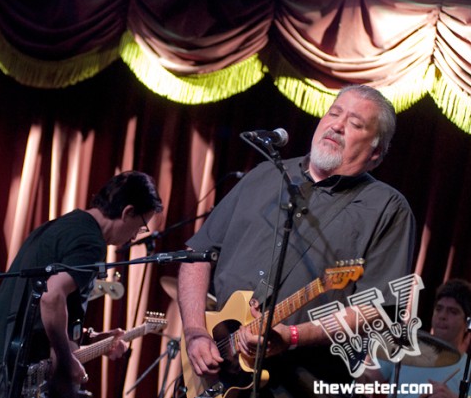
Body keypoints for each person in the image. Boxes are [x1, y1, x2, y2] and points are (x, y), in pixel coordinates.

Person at [177, 84, 417, 397]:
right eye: (334, 113)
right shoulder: (264, 174)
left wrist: (292, 335)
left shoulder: (387, 208)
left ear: (375, 152)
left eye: (356, 124)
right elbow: (197, 254)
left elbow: (376, 307)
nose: (337, 125)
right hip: (219, 368)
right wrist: (196, 332)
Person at [0, 170, 164, 398]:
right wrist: (66, 360)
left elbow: (42, 302)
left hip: (2, 351)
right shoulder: (91, 243)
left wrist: (90, 337)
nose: (134, 237)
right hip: (12, 359)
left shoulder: (68, 224)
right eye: (140, 227)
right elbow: (52, 296)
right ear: (128, 211)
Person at [364, 279, 471, 398]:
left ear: (467, 323)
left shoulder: (468, 369)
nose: (442, 316)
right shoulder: (403, 347)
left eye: (453, 312)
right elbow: (367, 380)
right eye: (439, 309)